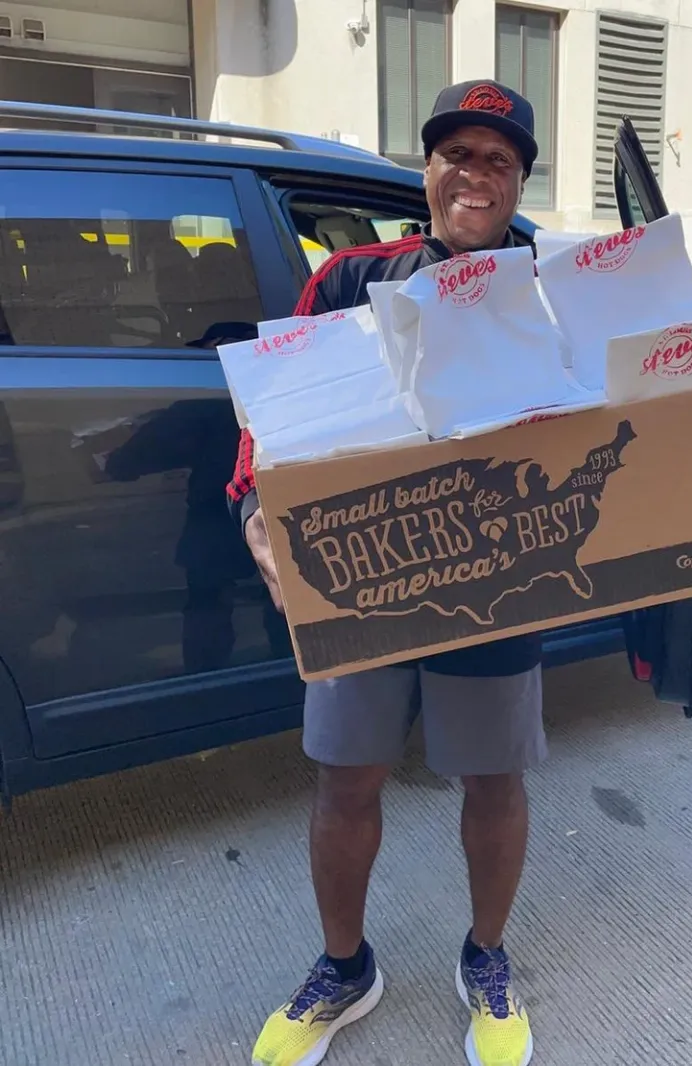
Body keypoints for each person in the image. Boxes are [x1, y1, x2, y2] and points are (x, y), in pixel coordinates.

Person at [227, 81, 543, 1066]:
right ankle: (344, 965)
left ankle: (486, 957)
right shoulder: (350, 281)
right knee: (345, 777)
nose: (475, 174)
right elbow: (273, 422)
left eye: (497, 157)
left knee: (493, 780)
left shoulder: (558, 291)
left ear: (521, 178)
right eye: (457, 152)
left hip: (500, 580)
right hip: (360, 579)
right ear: (426, 173)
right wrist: (252, 511)